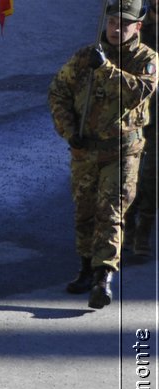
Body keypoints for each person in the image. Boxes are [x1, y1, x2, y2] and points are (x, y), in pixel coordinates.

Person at [49, 0, 158, 307]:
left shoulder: (146, 59)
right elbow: (58, 90)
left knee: (110, 214)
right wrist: (70, 131)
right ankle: (85, 268)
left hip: (122, 152)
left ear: (137, 27)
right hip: (86, 150)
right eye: (112, 22)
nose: (115, 29)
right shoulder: (86, 56)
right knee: (84, 211)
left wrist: (107, 70)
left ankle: (103, 277)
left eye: (123, 24)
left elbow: (139, 92)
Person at [124, 3, 159, 263]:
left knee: (151, 174)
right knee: (129, 172)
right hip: (135, 112)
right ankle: (127, 228)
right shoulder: (136, 27)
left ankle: (143, 230)